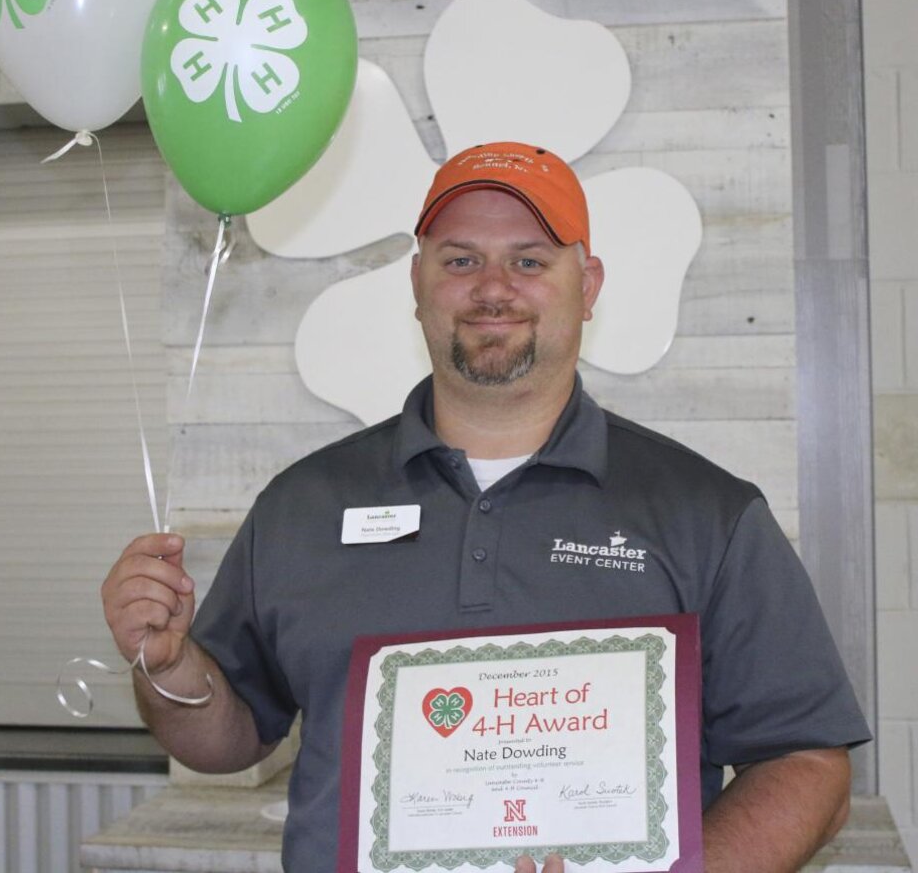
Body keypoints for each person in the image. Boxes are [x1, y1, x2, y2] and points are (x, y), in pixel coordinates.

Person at [102, 142, 870, 873]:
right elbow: (227, 736)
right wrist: (169, 666)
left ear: (589, 283)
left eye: (529, 261)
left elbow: (806, 761)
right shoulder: (301, 504)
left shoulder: (706, 513)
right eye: (461, 259)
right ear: (417, 283)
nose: (493, 287)